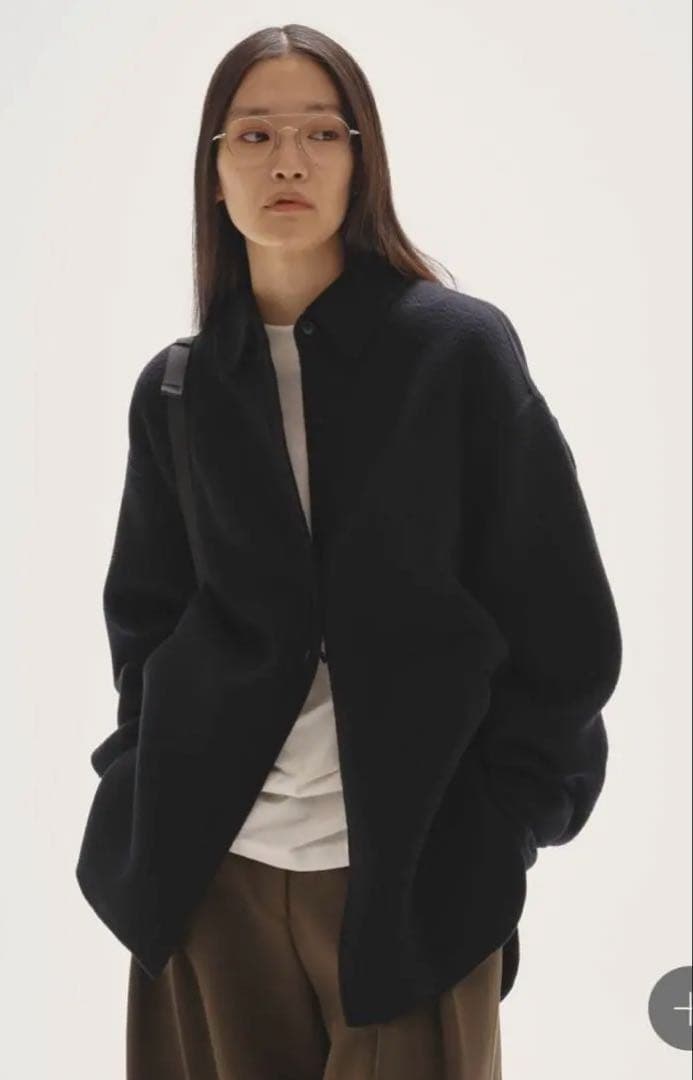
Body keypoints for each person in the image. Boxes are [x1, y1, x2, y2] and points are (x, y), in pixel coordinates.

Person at [75, 22, 623, 1080]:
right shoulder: (179, 388)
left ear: (362, 160)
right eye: (255, 134)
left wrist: (504, 824)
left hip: (415, 882)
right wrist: (140, 786)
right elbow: (145, 619)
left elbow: (560, 621)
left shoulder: (457, 352)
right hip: (210, 879)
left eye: (322, 133)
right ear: (213, 169)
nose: (288, 160)